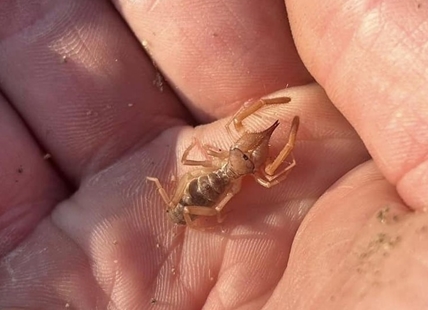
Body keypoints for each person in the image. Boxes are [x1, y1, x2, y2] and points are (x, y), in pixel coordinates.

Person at [0, 1, 426, 309]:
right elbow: (241, 183)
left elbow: (213, 165)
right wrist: (269, 157)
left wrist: (242, 162)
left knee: (249, 129)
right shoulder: (236, 177)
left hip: (225, 169)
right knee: (256, 147)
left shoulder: (226, 161)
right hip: (227, 173)